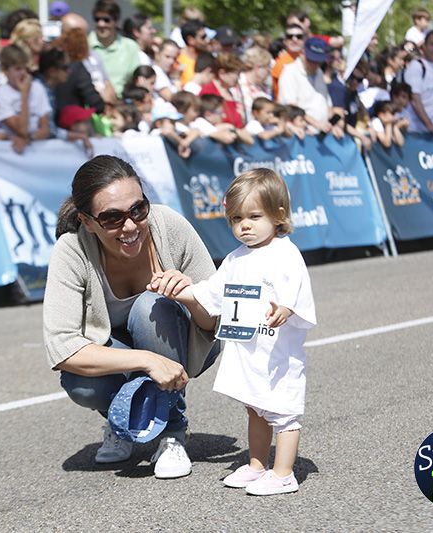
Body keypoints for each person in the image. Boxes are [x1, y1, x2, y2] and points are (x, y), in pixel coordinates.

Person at [44, 155, 220, 478]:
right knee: (81, 382)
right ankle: (125, 419)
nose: (130, 226)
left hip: (182, 341)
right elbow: (63, 348)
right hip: (122, 351)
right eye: (112, 218)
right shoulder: (71, 250)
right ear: (87, 221)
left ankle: (171, 432)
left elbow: (216, 322)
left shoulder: (169, 226)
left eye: (138, 209)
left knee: (150, 307)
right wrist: (147, 361)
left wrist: (191, 298)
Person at [154, 168, 316, 495]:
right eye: (236, 218)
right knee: (254, 407)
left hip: (276, 353)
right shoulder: (234, 259)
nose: (244, 225)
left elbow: (296, 289)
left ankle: (283, 472)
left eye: (254, 216)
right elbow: (211, 293)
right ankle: (257, 464)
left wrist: (286, 308)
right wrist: (177, 291)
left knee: (282, 410)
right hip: (248, 350)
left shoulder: (285, 253)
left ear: (278, 215)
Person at [0, 44, 51, 153]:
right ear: (5, 70)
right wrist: (24, 94)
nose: (23, 73)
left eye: (25, 68)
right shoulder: (0, 94)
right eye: (18, 69)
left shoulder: (37, 88)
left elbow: (45, 129)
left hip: (35, 149)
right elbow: (22, 130)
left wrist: (29, 139)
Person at [87, 0, 140, 97]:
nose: (101, 24)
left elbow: (136, 79)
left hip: (121, 103)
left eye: (106, 20)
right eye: (97, 19)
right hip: (91, 104)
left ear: (116, 21)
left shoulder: (130, 47)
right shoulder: (85, 46)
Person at [199, 52, 246, 128]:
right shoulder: (208, 92)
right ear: (222, 73)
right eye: (235, 74)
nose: (238, 78)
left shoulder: (231, 92)